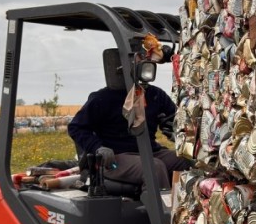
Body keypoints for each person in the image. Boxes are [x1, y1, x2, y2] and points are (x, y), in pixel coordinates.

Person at [68, 44, 189, 191]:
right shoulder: (103, 98)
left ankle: (186, 204)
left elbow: (174, 119)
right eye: (137, 60)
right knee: (154, 168)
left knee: (187, 161)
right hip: (114, 158)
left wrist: (178, 132)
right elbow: (76, 127)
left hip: (150, 151)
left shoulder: (155, 95)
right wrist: (97, 148)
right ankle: (160, 205)